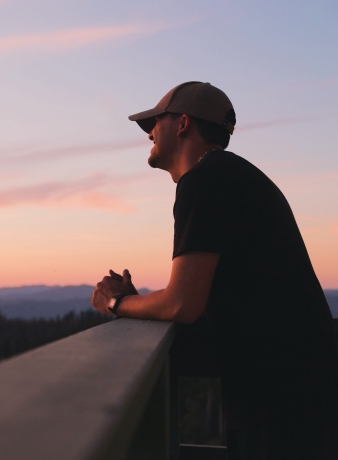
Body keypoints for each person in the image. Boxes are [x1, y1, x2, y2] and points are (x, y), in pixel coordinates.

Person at [91, 81, 338, 459]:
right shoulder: (231, 176)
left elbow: (182, 304)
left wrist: (117, 303)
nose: (150, 133)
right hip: (294, 391)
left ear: (183, 124)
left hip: (280, 401)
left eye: (155, 122)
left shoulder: (205, 181)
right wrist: (141, 302)